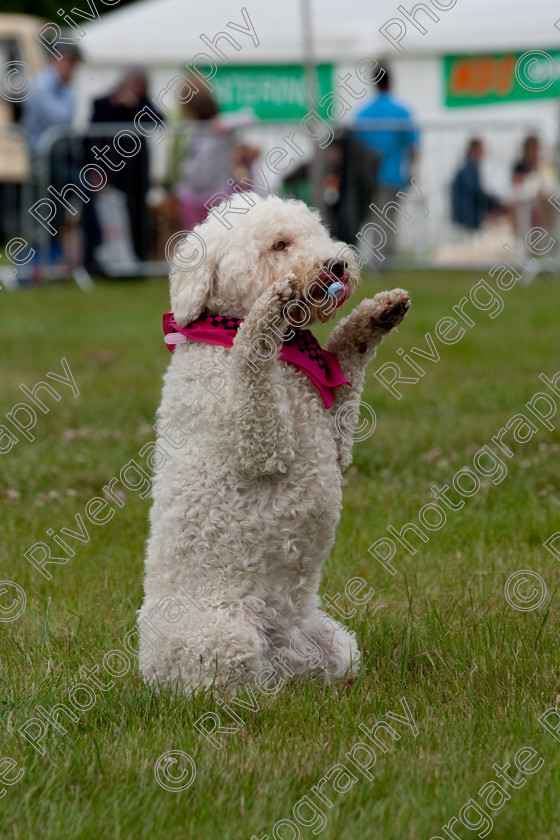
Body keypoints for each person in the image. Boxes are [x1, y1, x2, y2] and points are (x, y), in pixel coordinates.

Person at [84, 68, 162, 267]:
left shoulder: (142, 104)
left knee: (137, 212)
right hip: (110, 168)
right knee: (108, 214)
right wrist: (96, 168)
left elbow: (159, 120)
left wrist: (135, 106)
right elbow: (91, 136)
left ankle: (138, 257)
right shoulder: (103, 103)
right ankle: (106, 261)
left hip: (136, 170)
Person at [353, 65, 420, 267]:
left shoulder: (363, 113)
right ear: (390, 82)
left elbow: (355, 147)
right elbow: (413, 146)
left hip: (367, 176)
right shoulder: (401, 112)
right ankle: (383, 262)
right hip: (392, 175)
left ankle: (372, 260)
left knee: (371, 220)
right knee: (387, 221)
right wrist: (412, 170)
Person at [22, 43, 81, 265]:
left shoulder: (64, 88)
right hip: (44, 160)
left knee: (56, 212)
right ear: (58, 59)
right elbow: (60, 118)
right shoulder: (41, 86)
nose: (72, 69)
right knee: (43, 213)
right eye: (70, 62)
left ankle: (51, 257)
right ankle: (38, 259)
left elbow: (65, 116)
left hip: (58, 158)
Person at [172, 82, 259, 231]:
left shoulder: (222, 127)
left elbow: (249, 117)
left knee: (220, 234)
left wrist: (224, 123)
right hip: (192, 195)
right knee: (193, 236)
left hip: (217, 192)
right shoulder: (193, 131)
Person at [451, 138, 503, 231]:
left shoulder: (468, 168)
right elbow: (478, 193)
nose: (483, 153)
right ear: (473, 150)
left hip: (466, 217)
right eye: (481, 150)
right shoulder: (469, 170)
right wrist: (499, 204)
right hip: (467, 219)